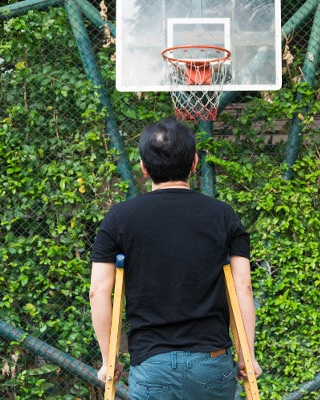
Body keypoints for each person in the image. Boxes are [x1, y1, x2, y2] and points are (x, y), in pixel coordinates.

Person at [89, 117, 261, 399]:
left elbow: (98, 292)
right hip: (211, 361)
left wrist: (110, 361)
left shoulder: (119, 218)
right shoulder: (222, 215)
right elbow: (242, 287)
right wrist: (247, 356)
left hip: (152, 364)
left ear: (143, 168)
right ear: (194, 163)